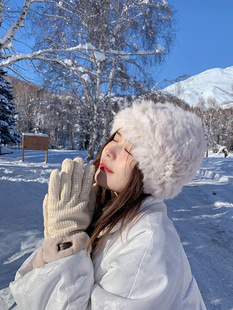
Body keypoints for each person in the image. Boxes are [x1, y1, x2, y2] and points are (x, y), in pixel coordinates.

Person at [10, 100, 207, 310]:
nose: (109, 151)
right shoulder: (102, 209)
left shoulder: (148, 247)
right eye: (116, 137)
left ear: (153, 174)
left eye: (130, 151)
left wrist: (66, 240)